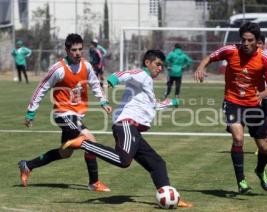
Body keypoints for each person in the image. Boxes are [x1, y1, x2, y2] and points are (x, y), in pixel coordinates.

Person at [62, 50, 193, 208]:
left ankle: (171, 197)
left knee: (158, 164)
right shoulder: (141, 74)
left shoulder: (147, 83)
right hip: (126, 124)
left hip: (133, 130)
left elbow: (153, 105)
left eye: (162, 66)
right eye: (157, 64)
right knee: (123, 161)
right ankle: (84, 143)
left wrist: (171, 102)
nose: (160, 68)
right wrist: (111, 81)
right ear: (147, 63)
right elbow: (123, 74)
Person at [19, 33, 112, 192]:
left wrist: (103, 101)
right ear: (67, 50)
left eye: (80, 49)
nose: (77, 53)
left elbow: (95, 84)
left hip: (77, 114)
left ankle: (28, 165)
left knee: (65, 153)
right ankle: (94, 183)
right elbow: (41, 88)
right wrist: (30, 113)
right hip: (63, 114)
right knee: (90, 140)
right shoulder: (58, 69)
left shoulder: (86, 66)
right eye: (74, 50)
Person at [194, 22, 267, 194]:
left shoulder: (265, 59)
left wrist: (262, 94)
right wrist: (201, 67)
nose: (245, 43)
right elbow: (209, 57)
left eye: (250, 40)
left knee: (264, 148)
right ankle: (241, 182)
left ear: (257, 40)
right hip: (232, 102)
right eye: (243, 40)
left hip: (253, 105)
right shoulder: (230, 50)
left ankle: (260, 170)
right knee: (238, 138)